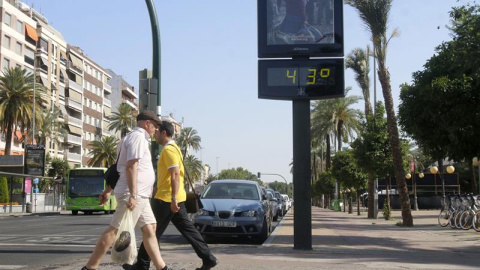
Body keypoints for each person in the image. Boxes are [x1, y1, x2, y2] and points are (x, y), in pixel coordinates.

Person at [82, 111, 171, 270]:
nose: (156, 130)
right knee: (114, 231)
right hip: (134, 194)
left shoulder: (129, 138)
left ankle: (162, 267)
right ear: (147, 124)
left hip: (140, 194)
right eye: (155, 126)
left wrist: (108, 189)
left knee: (150, 228)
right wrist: (133, 195)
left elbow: (118, 168)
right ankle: (90, 267)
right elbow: (130, 167)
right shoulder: (138, 138)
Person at [132, 120, 218, 270]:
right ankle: (208, 258)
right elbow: (167, 175)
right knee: (188, 230)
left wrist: (172, 199)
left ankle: (142, 265)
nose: (155, 135)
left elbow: (175, 174)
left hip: (167, 199)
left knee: (151, 231)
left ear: (164, 133)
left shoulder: (169, 150)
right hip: (175, 197)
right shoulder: (175, 148)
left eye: (157, 132)